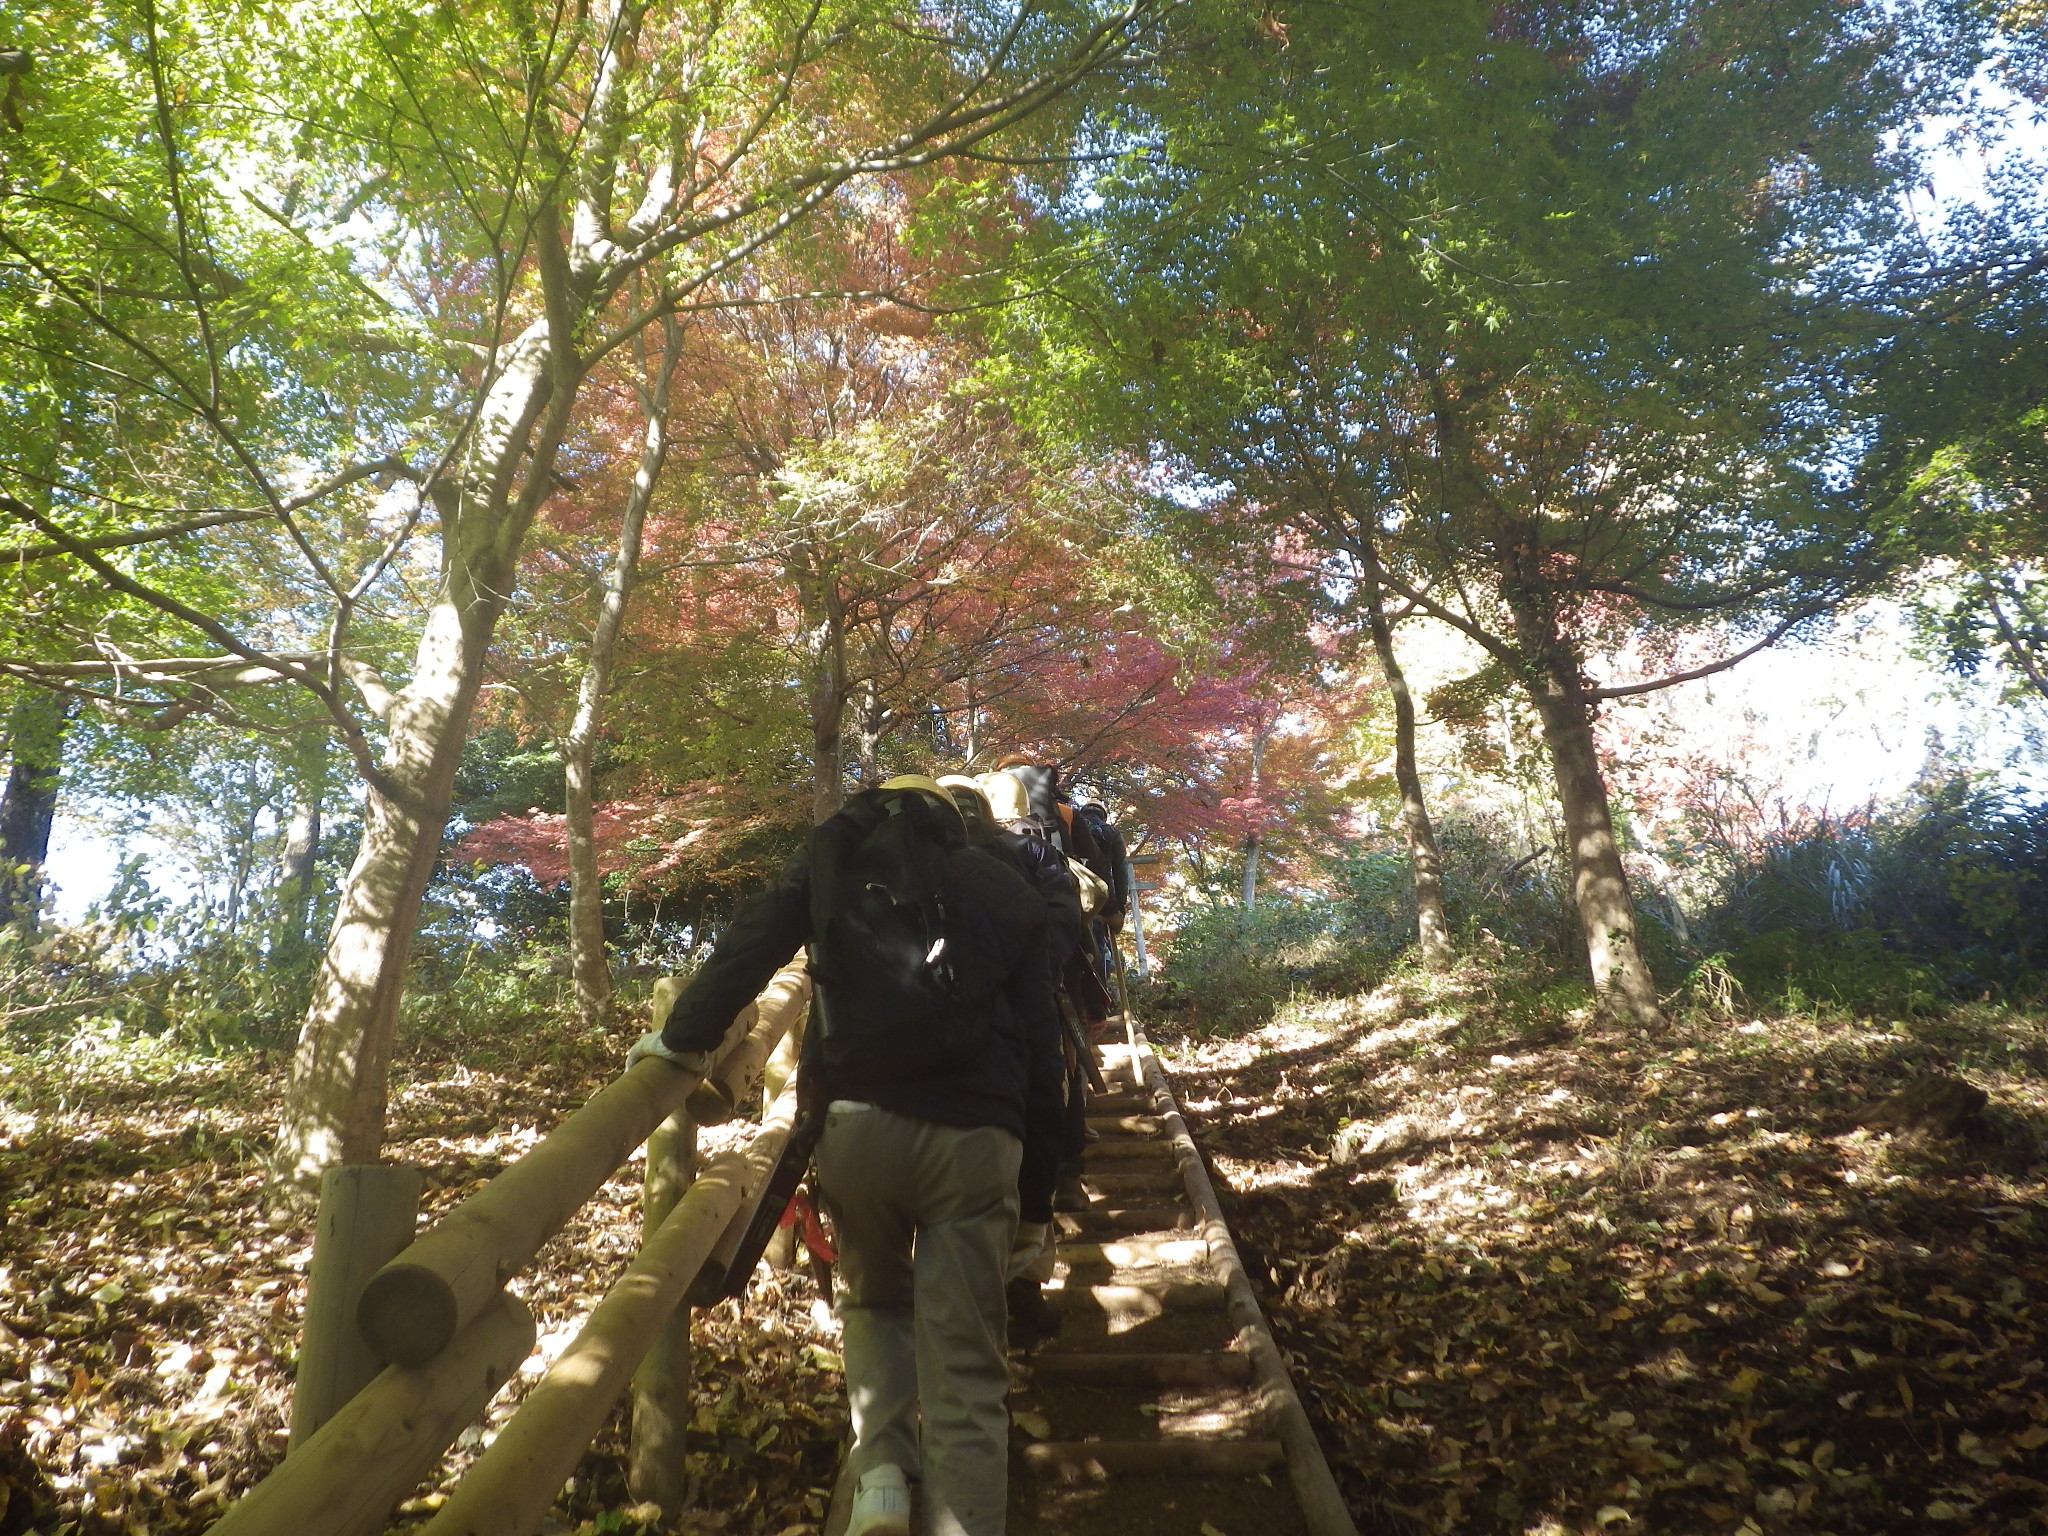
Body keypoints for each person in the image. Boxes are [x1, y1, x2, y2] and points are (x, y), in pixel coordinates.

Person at [629, 775, 1056, 1536]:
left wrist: (683, 1037)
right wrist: (1042, 1195)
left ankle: (884, 1480)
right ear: (960, 824)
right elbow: (1042, 1053)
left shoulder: (838, 860)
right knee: (964, 1361)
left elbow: (755, 939)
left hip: (859, 1128)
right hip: (978, 1138)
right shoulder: (1006, 887)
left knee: (878, 1301)